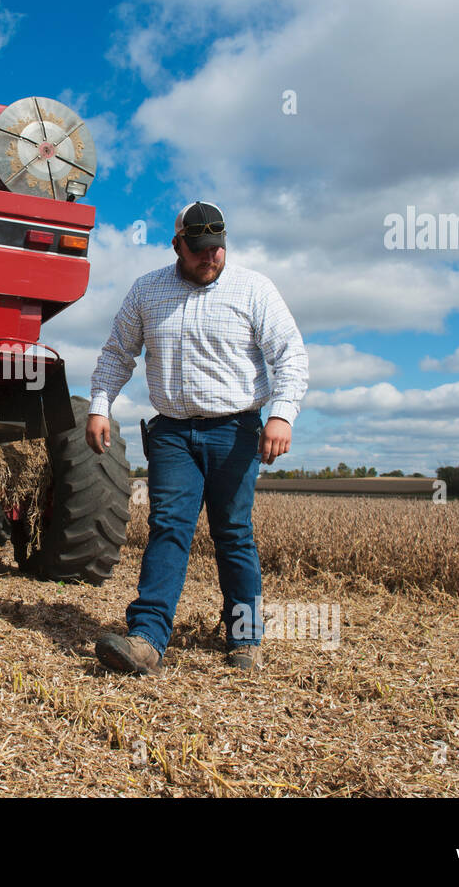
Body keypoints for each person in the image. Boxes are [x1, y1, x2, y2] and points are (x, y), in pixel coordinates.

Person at [86, 200, 308, 674]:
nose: (211, 258)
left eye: (218, 248)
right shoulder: (147, 290)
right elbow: (116, 354)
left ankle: (245, 639)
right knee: (168, 528)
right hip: (172, 435)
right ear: (177, 245)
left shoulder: (254, 289)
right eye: (200, 249)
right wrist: (99, 406)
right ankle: (146, 638)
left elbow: (290, 354)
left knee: (233, 533)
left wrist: (282, 415)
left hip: (236, 431)